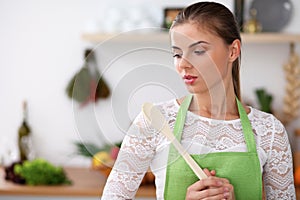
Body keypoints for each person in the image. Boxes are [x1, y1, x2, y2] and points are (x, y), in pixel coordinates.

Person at [102, 2, 295, 199]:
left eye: (198, 51)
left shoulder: (269, 131)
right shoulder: (154, 121)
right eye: (177, 54)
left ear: (233, 51)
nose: (183, 64)